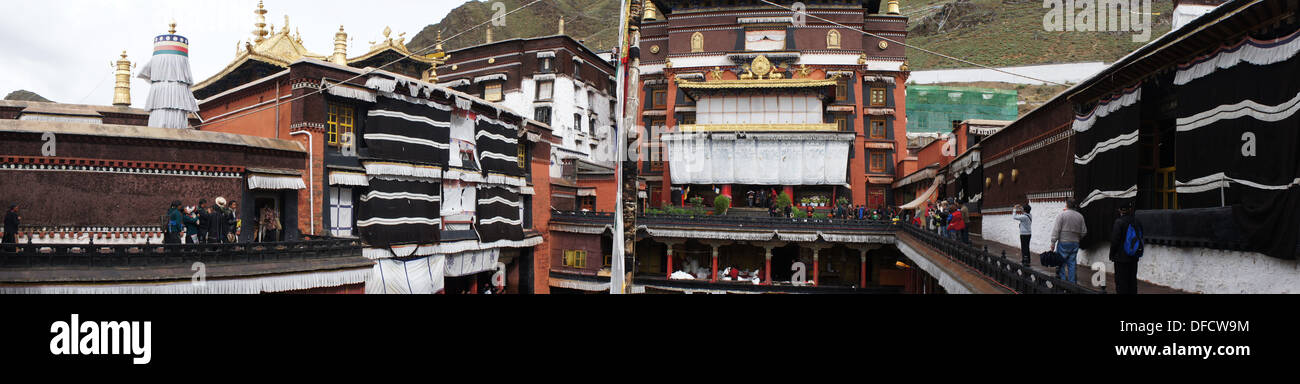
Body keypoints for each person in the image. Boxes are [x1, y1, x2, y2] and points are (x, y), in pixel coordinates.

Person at [1109, 200, 1143, 294]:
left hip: (1121, 258)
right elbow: (1140, 237)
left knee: (1121, 282)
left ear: (1120, 210)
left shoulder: (1119, 222)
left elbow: (1115, 241)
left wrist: (1112, 254)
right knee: (1132, 281)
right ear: (1130, 209)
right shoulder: (1137, 221)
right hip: (1133, 256)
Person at [1051, 198, 1088, 283]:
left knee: (1061, 263)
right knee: (1072, 264)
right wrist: (1078, 238)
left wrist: (1053, 242)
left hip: (1063, 242)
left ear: (1066, 205)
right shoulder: (1080, 216)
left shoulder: (1062, 215)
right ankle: (1072, 284)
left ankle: (1063, 284)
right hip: (1075, 243)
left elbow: (1056, 230)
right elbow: (1084, 232)